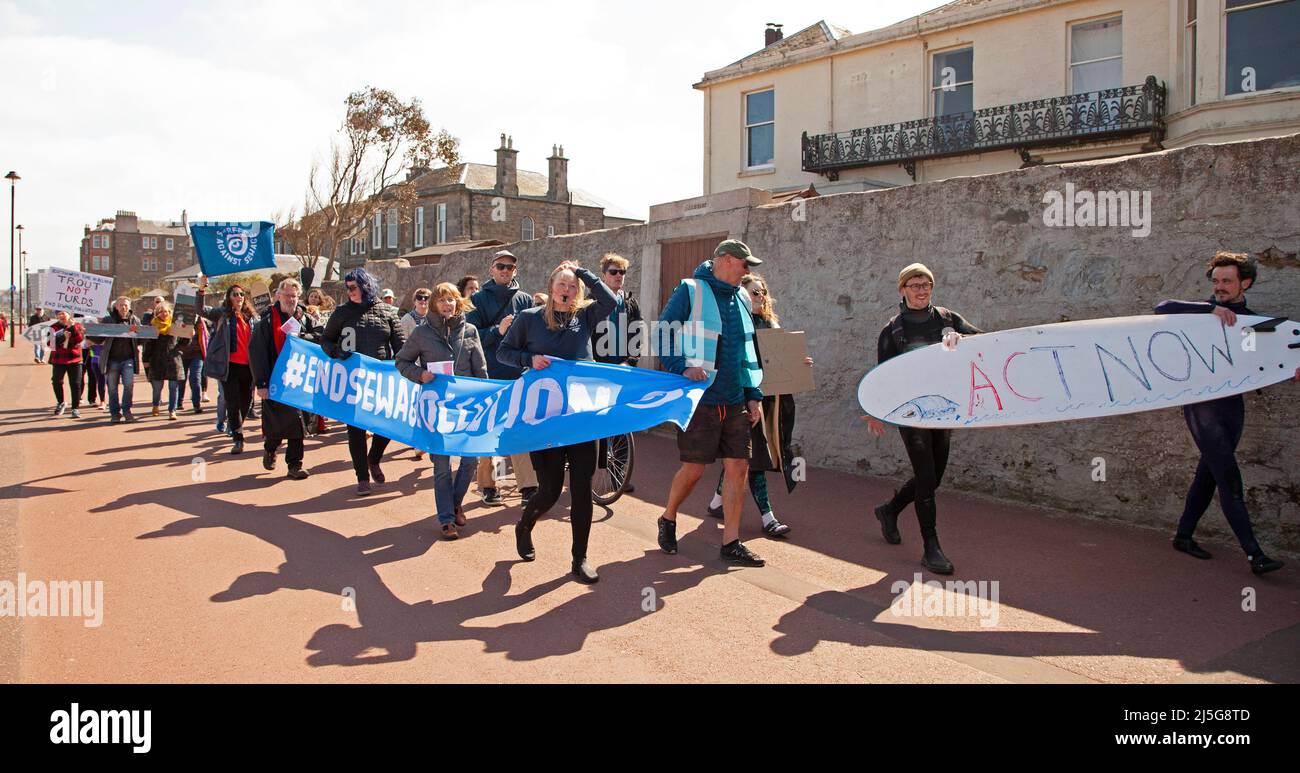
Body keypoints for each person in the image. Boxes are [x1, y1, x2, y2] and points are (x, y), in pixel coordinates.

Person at [1155, 251, 1295, 575]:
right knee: (1229, 477)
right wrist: (1211, 309)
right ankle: (1254, 554)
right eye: (1215, 281)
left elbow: (1275, 355)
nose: (1219, 287)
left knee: (1209, 473)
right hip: (1202, 405)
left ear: (1244, 282)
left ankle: (1183, 535)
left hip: (1232, 406)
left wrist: (1292, 370)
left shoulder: (1253, 322)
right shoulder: (1202, 313)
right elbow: (1162, 308)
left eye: (1226, 281)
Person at [498, 260, 618, 584]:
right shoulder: (529, 319)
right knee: (549, 491)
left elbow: (611, 301)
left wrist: (583, 273)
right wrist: (528, 360)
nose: (567, 291)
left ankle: (580, 558)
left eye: (572, 286)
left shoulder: (585, 315)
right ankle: (524, 525)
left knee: (581, 489)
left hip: (581, 419)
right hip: (545, 420)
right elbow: (503, 353)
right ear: (551, 288)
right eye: (562, 285)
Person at [655, 239, 768, 567]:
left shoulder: (743, 298)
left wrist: (753, 395)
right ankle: (669, 517)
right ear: (727, 260)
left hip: (735, 401)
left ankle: (731, 541)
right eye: (745, 265)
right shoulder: (690, 290)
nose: (748, 272)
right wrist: (681, 366)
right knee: (694, 469)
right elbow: (663, 332)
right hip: (701, 400)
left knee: (739, 467)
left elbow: (747, 351)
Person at [865, 263, 983, 575]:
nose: (921, 290)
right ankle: (931, 547)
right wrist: (876, 411)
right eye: (914, 285)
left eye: (925, 284)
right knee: (927, 478)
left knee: (935, 477)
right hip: (912, 412)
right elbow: (883, 377)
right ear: (902, 290)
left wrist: (963, 341)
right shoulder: (892, 331)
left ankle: (889, 510)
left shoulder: (947, 318)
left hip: (944, 409)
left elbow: (985, 346)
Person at [706, 272, 811, 537]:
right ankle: (768, 517)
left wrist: (798, 363)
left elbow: (779, 361)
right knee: (754, 459)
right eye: (754, 292)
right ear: (742, 295)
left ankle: (717, 501)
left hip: (771, 401)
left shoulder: (770, 323)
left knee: (739, 457)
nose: (760, 296)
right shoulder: (734, 323)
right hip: (743, 398)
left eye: (763, 291)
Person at [395, 282, 488, 538]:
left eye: (452, 299)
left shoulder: (470, 331)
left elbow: (480, 370)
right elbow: (401, 361)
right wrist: (419, 374)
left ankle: (456, 503)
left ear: (459, 303)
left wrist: (484, 400)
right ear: (434, 304)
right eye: (442, 300)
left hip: (467, 408)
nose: (447, 304)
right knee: (442, 465)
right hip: (436, 409)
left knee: (470, 461)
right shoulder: (422, 333)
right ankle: (446, 518)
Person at [320, 267, 406, 496]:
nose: (349, 292)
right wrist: (335, 352)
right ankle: (362, 477)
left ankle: (374, 458)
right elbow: (325, 340)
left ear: (365, 286)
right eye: (346, 288)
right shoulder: (341, 313)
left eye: (353, 287)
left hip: (381, 380)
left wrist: (407, 368)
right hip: (353, 379)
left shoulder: (387, 312)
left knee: (388, 424)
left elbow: (401, 348)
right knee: (355, 430)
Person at [466, 250, 538, 505]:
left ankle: (528, 486)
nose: (505, 270)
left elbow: (535, 334)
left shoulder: (525, 299)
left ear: (515, 271)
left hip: (519, 374)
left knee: (518, 428)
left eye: (509, 267)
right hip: (489, 374)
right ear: (491, 270)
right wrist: (498, 330)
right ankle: (488, 484)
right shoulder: (477, 299)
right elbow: (470, 337)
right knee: (490, 430)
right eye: (500, 266)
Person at [250, 278, 320, 481]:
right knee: (276, 426)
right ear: (278, 295)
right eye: (287, 295)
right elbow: (257, 352)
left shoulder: (306, 318)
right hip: (274, 380)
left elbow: (320, 338)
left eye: (294, 296)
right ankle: (270, 449)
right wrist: (261, 383)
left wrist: (301, 336)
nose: (290, 299)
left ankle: (294, 465)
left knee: (298, 424)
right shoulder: (267, 320)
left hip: (299, 380)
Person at [203, 284, 258, 454]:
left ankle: (236, 426)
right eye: (235, 294)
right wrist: (201, 290)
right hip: (229, 366)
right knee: (232, 402)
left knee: (246, 402)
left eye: (241, 294)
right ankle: (238, 438)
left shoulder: (251, 317)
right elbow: (200, 309)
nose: (239, 297)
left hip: (249, 367)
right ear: (229, 297)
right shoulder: (222, 314)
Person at [591, 252, 642, 367]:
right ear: (603, 276)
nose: (619, 275)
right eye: (613, 272)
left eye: (622, 272)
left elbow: (638, 335)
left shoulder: (630, 301)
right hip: (598, 367)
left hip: (624, 368)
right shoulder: (591, 301)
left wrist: (629, 361)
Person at [97, 297, 143, 424]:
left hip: (128, 358)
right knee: (112, 388)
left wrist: (150, 333)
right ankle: (115, 413)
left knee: (129, 385)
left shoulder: (135, 320)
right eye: (121, 305)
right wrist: (90, 331)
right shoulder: (108, 320)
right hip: (112, 359)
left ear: (129, 307)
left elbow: (141, 339)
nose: (124, 308)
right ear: (116, 306)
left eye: (126, 305)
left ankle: (127, 411)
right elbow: (98, 338)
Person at [142, 303, 189, 420]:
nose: (164, 314)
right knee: (157, 387)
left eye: (167, 311)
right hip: (157, 361)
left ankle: (172, 410)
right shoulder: (152, 327)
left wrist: (188, 336)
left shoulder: (176, 325)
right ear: (157, 313)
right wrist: (145, 360)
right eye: (162, 312)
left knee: (174, 387)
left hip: (173, 360)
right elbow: (148, 345)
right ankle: (155, 405)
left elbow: (184, 341)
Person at [48, 310, 86, 419]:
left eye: (63, 313)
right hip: (59, 359)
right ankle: (61, 402)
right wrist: (62, 336)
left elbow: (80, 340)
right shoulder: (53, 327)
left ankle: (75, 408)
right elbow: (50, 343)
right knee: (56, 381)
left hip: (74, 359)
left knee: (75, 384)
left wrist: (72, 327)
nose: (61, 316)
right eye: (58, 314)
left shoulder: (77, 325)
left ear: (69, 314)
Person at [181, 315, 210, 413]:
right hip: (181, 354)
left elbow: (206, 337)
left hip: (197, 354)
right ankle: (179, 402)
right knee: (181, 378)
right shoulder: (179, 319)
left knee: (195, 378)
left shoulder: (201, 322)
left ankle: (196, 404)